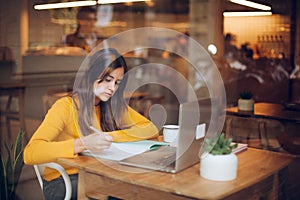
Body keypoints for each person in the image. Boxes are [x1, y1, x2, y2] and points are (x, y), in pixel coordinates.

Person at [24, 48, 159, 200]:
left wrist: (110, 137)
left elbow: (150, 129)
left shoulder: (113, 106)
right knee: (119, 193)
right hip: (64, 180)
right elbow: (30, 153)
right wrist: (82, 144)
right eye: (108, 80)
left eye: (117, 83)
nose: (112, 88)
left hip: (98, 173)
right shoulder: (66, 106)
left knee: (137, 189)